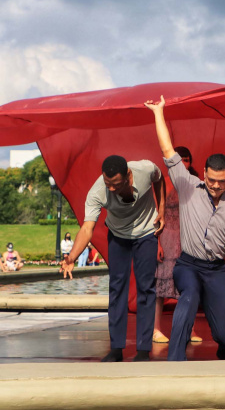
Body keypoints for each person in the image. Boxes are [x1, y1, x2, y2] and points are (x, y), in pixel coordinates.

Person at [145, 96, 225, 362]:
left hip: (216, 270)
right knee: (189, 295)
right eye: (212, 179)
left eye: (222, 181)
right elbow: (167, 149)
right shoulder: (188, 185)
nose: (216, 185)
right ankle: (175, 360)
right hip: (188, 265)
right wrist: (159, 112)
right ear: (203, 172)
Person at [61, 155, 166, 362]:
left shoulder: (144, 170)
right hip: (118, 236)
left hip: (146, 234)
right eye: (107, 183)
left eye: (115, 185)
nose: (110, 189)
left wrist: (161, 209)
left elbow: (159, 177)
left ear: (128, 176)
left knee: (146, 288)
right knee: (117, 289)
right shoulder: (98, 192)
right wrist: (72, 256)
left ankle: (144, 350)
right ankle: (116, 349)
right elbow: (87, 228)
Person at [153, 146, 201, 345]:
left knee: (189, 286)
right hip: (166, 237)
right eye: (180, 159)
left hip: (187, 238)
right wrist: (157, 244)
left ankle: (189, 328)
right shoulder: (162, 183)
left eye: (187, 160)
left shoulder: (195, 184)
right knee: (160, 289)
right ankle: (156, 329)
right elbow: (155, 215)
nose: (183, 163)